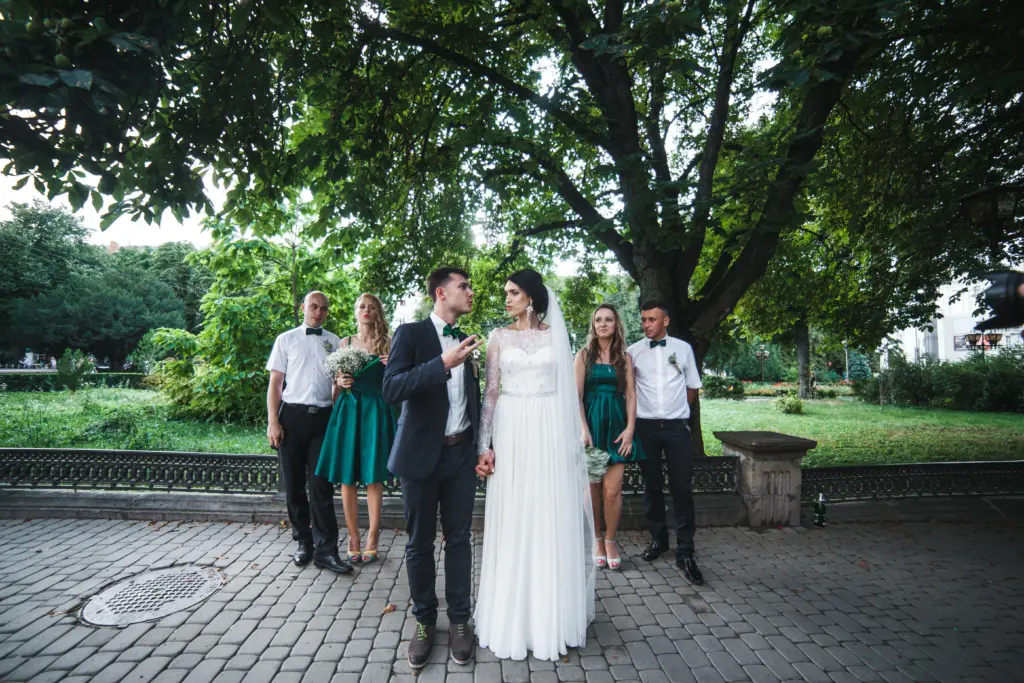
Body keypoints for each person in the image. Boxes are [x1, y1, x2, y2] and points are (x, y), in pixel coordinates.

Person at [475, 268, 596, 662]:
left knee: (547, 513)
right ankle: (511, 614)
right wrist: (484, 445)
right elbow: (491, 393)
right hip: (512, 428)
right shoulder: (497, 337)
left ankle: (550, 617)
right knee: (514, 513)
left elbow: (567, 393)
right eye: (506, 293)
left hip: (547, 429)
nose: (507, 298)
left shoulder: (555, 336)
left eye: (513, 292)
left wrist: (574, 434)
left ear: (530, 296)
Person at [382, 267, 483, 670]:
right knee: (420, 543)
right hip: (421, 455)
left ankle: (460, 620)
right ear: (441, 293)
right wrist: (441, 362)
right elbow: (391, 388)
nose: (471, 292)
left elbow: (470, 401)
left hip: (461, 455)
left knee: (459, 540)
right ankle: (424, 621)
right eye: (464, 286)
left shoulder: (467, 340)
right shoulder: (411, 333)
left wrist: (481, 447)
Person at [266, 291, 352, 575]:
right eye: (313, 307)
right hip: (292, 417)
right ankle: (303, 542)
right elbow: (276, 383)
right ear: (303, 307)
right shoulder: (286, 339)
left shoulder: (333, 341)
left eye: (323, 308)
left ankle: (327, 550)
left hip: (323, 419)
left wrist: (341, 386)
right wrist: (273, 422)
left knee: (321, 486)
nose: (318, 312)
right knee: (293, 486)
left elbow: (336, 385)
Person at [627, 300, 704, 586]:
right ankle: (659, 540)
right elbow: (628, 391)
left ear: (665, 321)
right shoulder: (632, 352)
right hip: (646, 428)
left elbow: (692, 386)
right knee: (652, 487)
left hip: (675, 428)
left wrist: (677, 415)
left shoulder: (682, 349)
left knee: (682, 488)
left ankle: (685, 550)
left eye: (652, 319)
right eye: (644, 319)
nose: (646, 324)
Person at [316, 293, 395, 565]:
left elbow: (397, 381)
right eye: (362, 306)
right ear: (355, 311)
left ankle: (373, 537)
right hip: (349, 411)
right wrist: (340, 380)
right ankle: (352, 538)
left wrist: (392, 365)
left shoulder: (389, 342)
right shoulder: (345, 342)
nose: (366, 310)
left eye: (372, 307)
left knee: (374, 476)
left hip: (375, 410)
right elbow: (335, 387)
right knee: (347, 476)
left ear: (378, 313)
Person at [574, 303, 643, 572]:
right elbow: (575, 396)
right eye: (598, 320)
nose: (603, 324)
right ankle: (597, 540)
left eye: (608, 320)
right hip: (591, 428)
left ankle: (612, 540)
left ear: (616, 325)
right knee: (592, 490)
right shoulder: (583, 355)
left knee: (612, 491)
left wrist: (630, 430)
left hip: (616, 428)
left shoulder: (624, 357)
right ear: (593, 325)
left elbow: (631, 395)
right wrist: (583, 428)